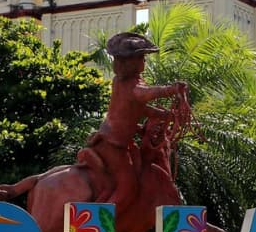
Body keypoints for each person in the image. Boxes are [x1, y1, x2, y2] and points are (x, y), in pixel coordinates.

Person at [74, 32, 187, 207]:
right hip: (114, 145)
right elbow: (144, 94)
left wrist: (167, 116)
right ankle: (100, 221)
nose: (145, 61)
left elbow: (141, 109)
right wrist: (171, 89)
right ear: (132, 62)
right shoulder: (132, 86)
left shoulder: (121, 82)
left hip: (113, 141)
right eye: (142, 57)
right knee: (128, 187)